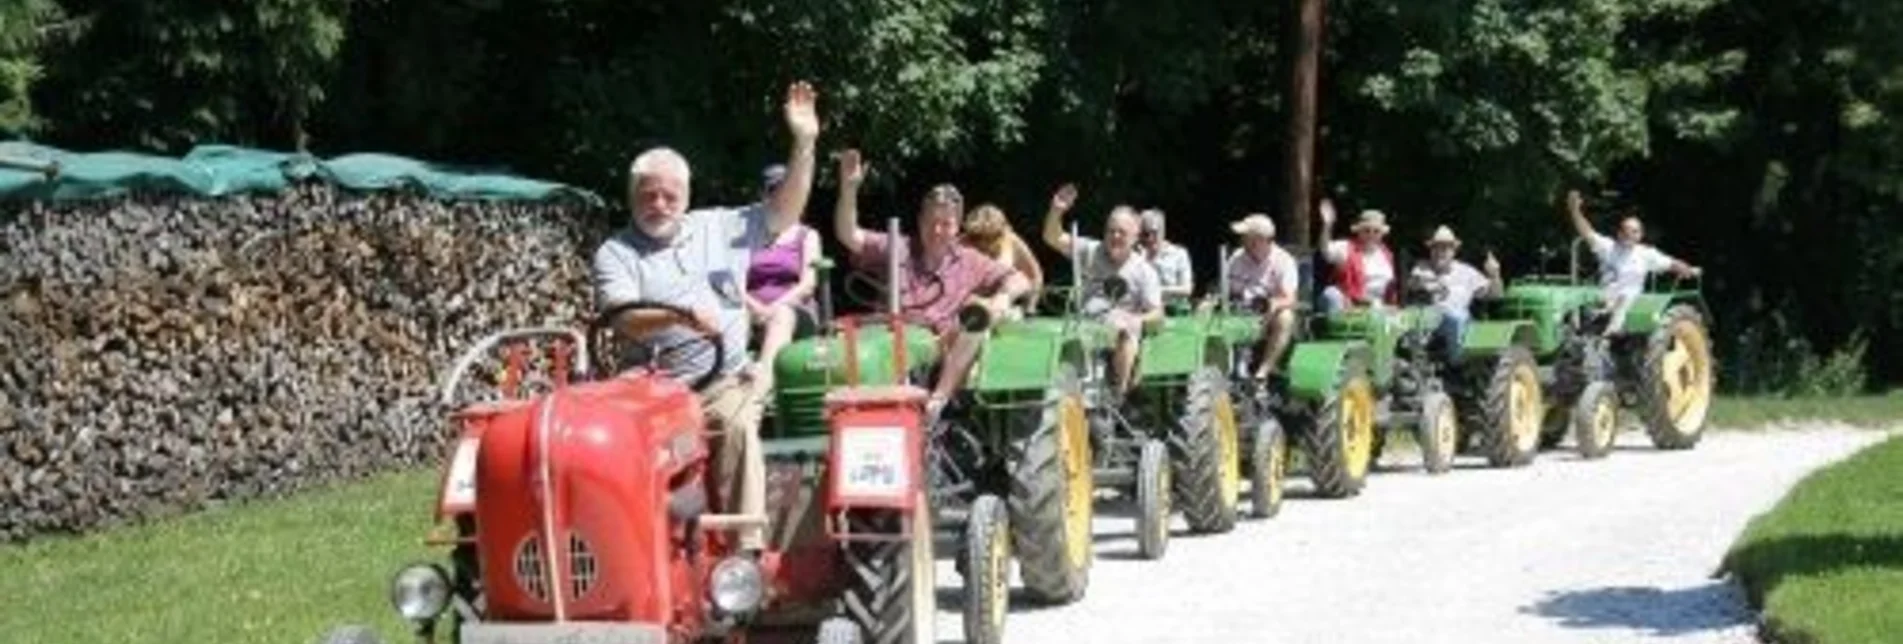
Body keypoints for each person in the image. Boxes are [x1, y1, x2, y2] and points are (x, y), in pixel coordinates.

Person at [589, 81, 820, 556]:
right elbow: (622, 318)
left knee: (735, 426)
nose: (659, 205)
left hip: (719, 380)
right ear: (633, 197)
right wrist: (683, 316)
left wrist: (803, 143)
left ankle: (745, 554)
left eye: (669, 195)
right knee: (605, 445)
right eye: (648, 195)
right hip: (647, 386)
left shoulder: (721, 227)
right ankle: (620, 551)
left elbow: (786, 210)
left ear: (686, 196)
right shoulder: (616, 252)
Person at [830, 149, 1033, 416]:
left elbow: (1021, 279)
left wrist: (1002, 297)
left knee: (977, 319)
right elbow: (848, 234)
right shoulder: (897, 246)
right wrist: (849, 189)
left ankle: (937, 403)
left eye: (946, 224)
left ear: (957, 227)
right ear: (920, 220)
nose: (938, 231)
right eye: (931, 222)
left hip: (938, 345)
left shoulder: (970, 260)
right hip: (884, 335)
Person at [1041, 184, 1164, 396]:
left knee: (1126, 330)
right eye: (1111, 230)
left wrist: (1138, 319)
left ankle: (1118, 394)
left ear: (1135, 236)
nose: (1115, 236)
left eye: (1122, 232)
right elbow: (1053, 237)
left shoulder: (1144, 271)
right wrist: (1057, 210)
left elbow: (1157, 313)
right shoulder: (1091, 250)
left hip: (1119, 328)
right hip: (1083, 321)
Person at [1564, 190, 1701, 336]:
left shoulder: (1646, 254)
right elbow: (1587, 232)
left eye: (1634, 231)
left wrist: (1689, 270)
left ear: (1640, 235)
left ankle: (1611, 332)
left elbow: (1671, 263)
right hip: (1605, 295)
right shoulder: (1608, 247)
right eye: (1626, 230)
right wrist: (1574, 210)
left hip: (1631, 298)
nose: (1630, 234)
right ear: (1619, 233)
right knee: (1585, 298)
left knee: (1624, 296)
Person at [744, 163, 822, 390]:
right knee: (730, 314)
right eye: (773, 191)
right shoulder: (747, 238)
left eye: (786, 191)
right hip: (750, 308)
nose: (780, 197)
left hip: (796, 310)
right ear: (763, 196)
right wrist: (753, 306)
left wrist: (773, 307)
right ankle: (731, 381)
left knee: (781, 315)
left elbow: (809, 283)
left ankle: (762, 384)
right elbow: (733, 281)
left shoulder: (807, 235)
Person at [1407, 225, 1502, 360]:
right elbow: (1413, 284)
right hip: (1426, 319)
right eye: (1436, 247)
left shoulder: (1467, 272)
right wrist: (1424, 285)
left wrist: (1494, 275)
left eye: (1445, 247)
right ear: (1430, 250)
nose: (1440, 251)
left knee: (1456, 317)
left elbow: (1494, 295)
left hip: (1457, 319)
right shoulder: (1422, 267)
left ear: (1453, 250)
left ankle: (1457, 364)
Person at [1225, 213, 1300, 379]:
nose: (1241, 239)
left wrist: (1273, 303)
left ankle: (1263, 373)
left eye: (1245, 236)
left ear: (1259, 239)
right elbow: (1226, 289)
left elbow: (1290, 298)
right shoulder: (1236, 258)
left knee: (1285, 317)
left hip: (1267, 313)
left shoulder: (1284, 261)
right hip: (1238, 310)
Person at [1318, 199, 1398, 312]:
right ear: (1359, 231)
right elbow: (1324, 250)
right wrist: (1327, 225)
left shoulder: (1387, 254)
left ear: (1382, 234)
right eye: (1366, 230)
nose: (1371, 234)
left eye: (1376, 231)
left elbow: (1391, 290)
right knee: (1331, 294)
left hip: (1377, 305)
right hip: (1349, 302)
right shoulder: (1345, 247)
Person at [961, 203, 1045, 310]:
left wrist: (1030, 307)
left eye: (991, 237)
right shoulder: (961, 244)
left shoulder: (1011, 241)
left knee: (1020, 279)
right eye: (977, 237)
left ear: (1002, 232)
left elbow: (1034, 276)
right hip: (970, 303)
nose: (983, 243)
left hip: (1005, 302)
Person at [1137, 209, 1194, 305]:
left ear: (1162, 231)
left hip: (1173, 310)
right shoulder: (1136, 256)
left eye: (1154, 233)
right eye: (1145, 234)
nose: (1150, 238)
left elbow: (1187, 289)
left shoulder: (1179, 254)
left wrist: (1158, 291)